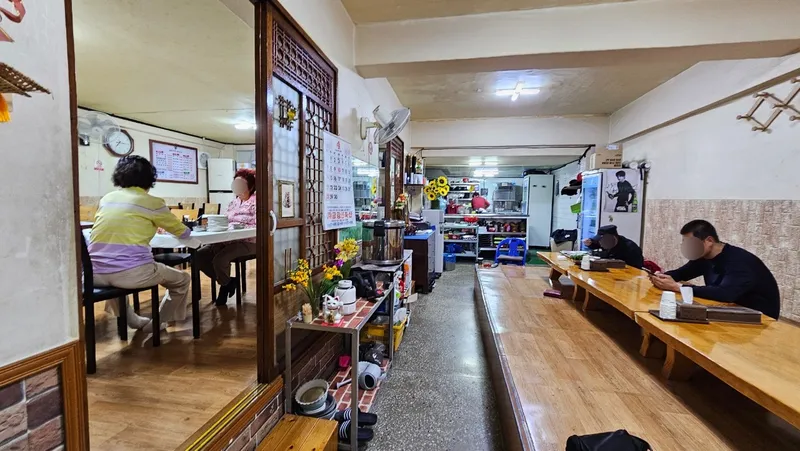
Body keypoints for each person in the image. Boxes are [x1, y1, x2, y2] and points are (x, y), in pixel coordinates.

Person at [89, 156, 192, 332]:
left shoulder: (107, 199)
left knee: (113, 275)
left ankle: (133, 320)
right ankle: (158, 322)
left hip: (94, 273)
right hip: (133, 273)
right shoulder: (153, 202)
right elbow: (182, 232)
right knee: (182, 279)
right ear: (150, 179)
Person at [650, 220, 780, 319]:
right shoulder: (704, 258)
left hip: (757, 319)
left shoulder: (739, 261)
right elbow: (681, 273)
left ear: (709, 241)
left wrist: (678, 287)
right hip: (726, 311)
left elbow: (725, 293)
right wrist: (659, 276)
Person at [196, 168, 257, 305]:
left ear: (250, 186)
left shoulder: (256, 202)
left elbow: (258, 225)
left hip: (249, 242)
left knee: (220, 259)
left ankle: (224, 288)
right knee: (199, 255)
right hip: (227, 239)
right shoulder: (233, 202)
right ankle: (228, 282)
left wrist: (237, 227)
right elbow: (224, 219)